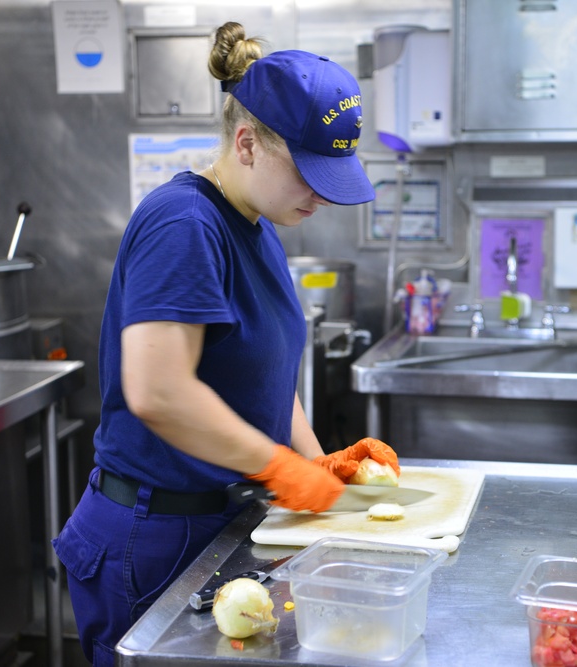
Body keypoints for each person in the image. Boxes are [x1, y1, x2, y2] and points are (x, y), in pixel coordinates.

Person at [53, 21, 400, 666]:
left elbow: (264, 373)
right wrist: (279, 470)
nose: (323, 196)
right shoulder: (184, 224)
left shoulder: (258, 224)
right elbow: (159, 391)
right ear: (247, 145)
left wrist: (320, 465)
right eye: (310, 173)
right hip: (153, 538)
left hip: (219, 523)